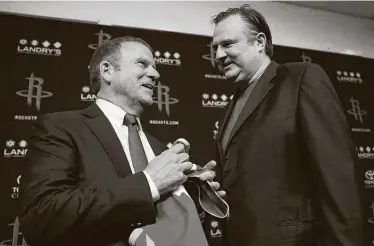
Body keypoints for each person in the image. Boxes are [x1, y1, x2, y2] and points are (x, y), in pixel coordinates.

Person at [19, 36, 224, 246]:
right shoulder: (61, 127)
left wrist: (194, 198)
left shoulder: (158, 149)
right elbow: (41, 216)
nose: (155, 74)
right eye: (142, 64)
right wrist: (149, 183)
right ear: (107, 71)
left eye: (154, 66)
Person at [211, 4, 362, 246]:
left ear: (259, 42)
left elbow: (338, 178)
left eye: (228, 44)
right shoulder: (233, 105)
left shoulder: (302, 78)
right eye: (214, 47)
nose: (218, 55)